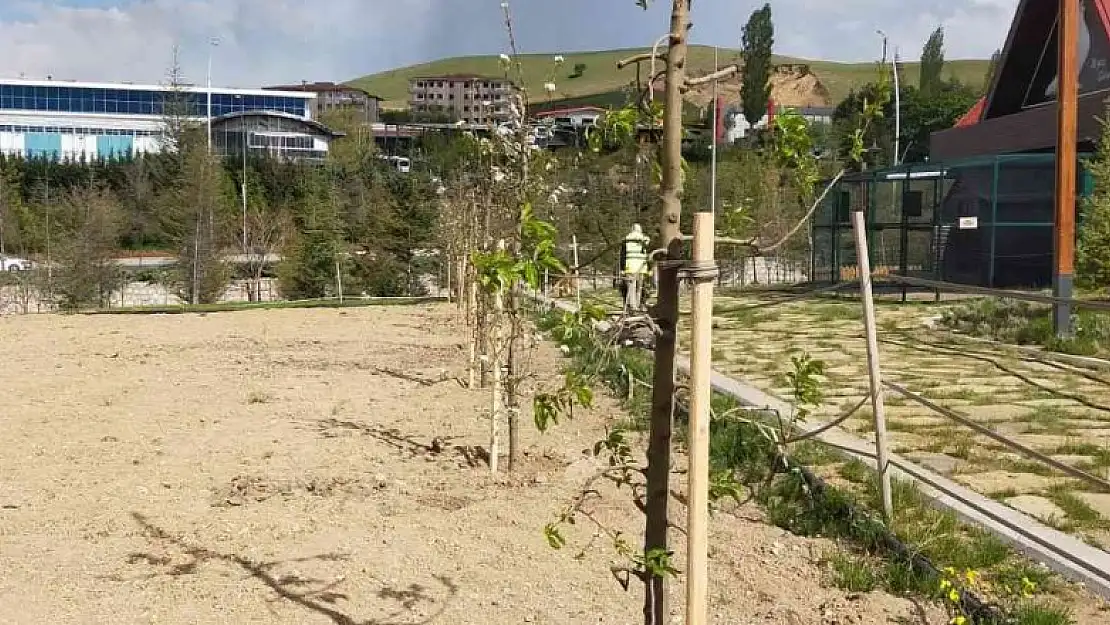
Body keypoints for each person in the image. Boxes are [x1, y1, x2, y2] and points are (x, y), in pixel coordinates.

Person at [619, 224, 650, 312]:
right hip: (641, 267)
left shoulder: (627, 240)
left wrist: (622, 269)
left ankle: (633, 306)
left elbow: (623, 255)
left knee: (631, 287)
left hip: (630, 267)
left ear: (632, 230)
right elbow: (647, 254)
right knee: (639, 288)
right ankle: (638, 304)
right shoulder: (644, 239)